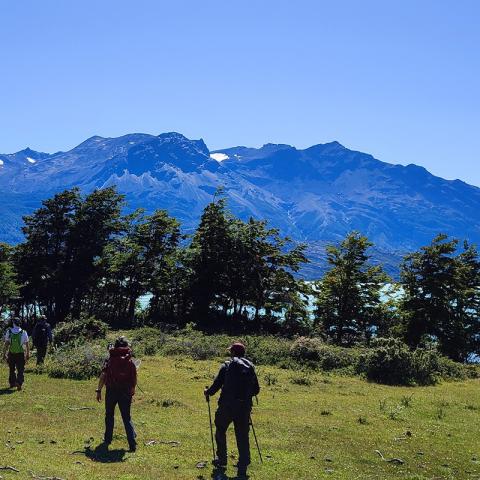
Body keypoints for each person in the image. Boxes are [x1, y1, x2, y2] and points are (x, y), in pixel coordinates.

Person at [204, 342, 260, 479]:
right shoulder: (250, 366)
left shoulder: (227, 366)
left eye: (231, 351)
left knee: (221, 429)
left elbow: (216, 385)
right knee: (242, 435)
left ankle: (222, 460)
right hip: (244, 407)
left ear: (233, 352)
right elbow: (256, 390)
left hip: (227, 406)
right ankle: (243, 465)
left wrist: (207, 392)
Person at [96, 336, 137, 452]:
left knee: (109, 415)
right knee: (126, 417)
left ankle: (108, 439)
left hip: (111, 391)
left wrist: (99, 390)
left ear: (115, 346)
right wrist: (132, 388)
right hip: (125, 391)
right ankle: (132, 444)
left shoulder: (110, 359)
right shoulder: (129, 359)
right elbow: (134, 375)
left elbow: (103, 376)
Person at [2, 317, 30, 390]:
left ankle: (12, 383)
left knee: (12, 369)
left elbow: (6, 344)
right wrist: (27, 354)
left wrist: (4, 353)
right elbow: (27, 344)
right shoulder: (23, 332)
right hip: (20, 353)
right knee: (20, 369)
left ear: (13, 323)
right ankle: (19, 382)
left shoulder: (9, 331)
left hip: (11, 353)